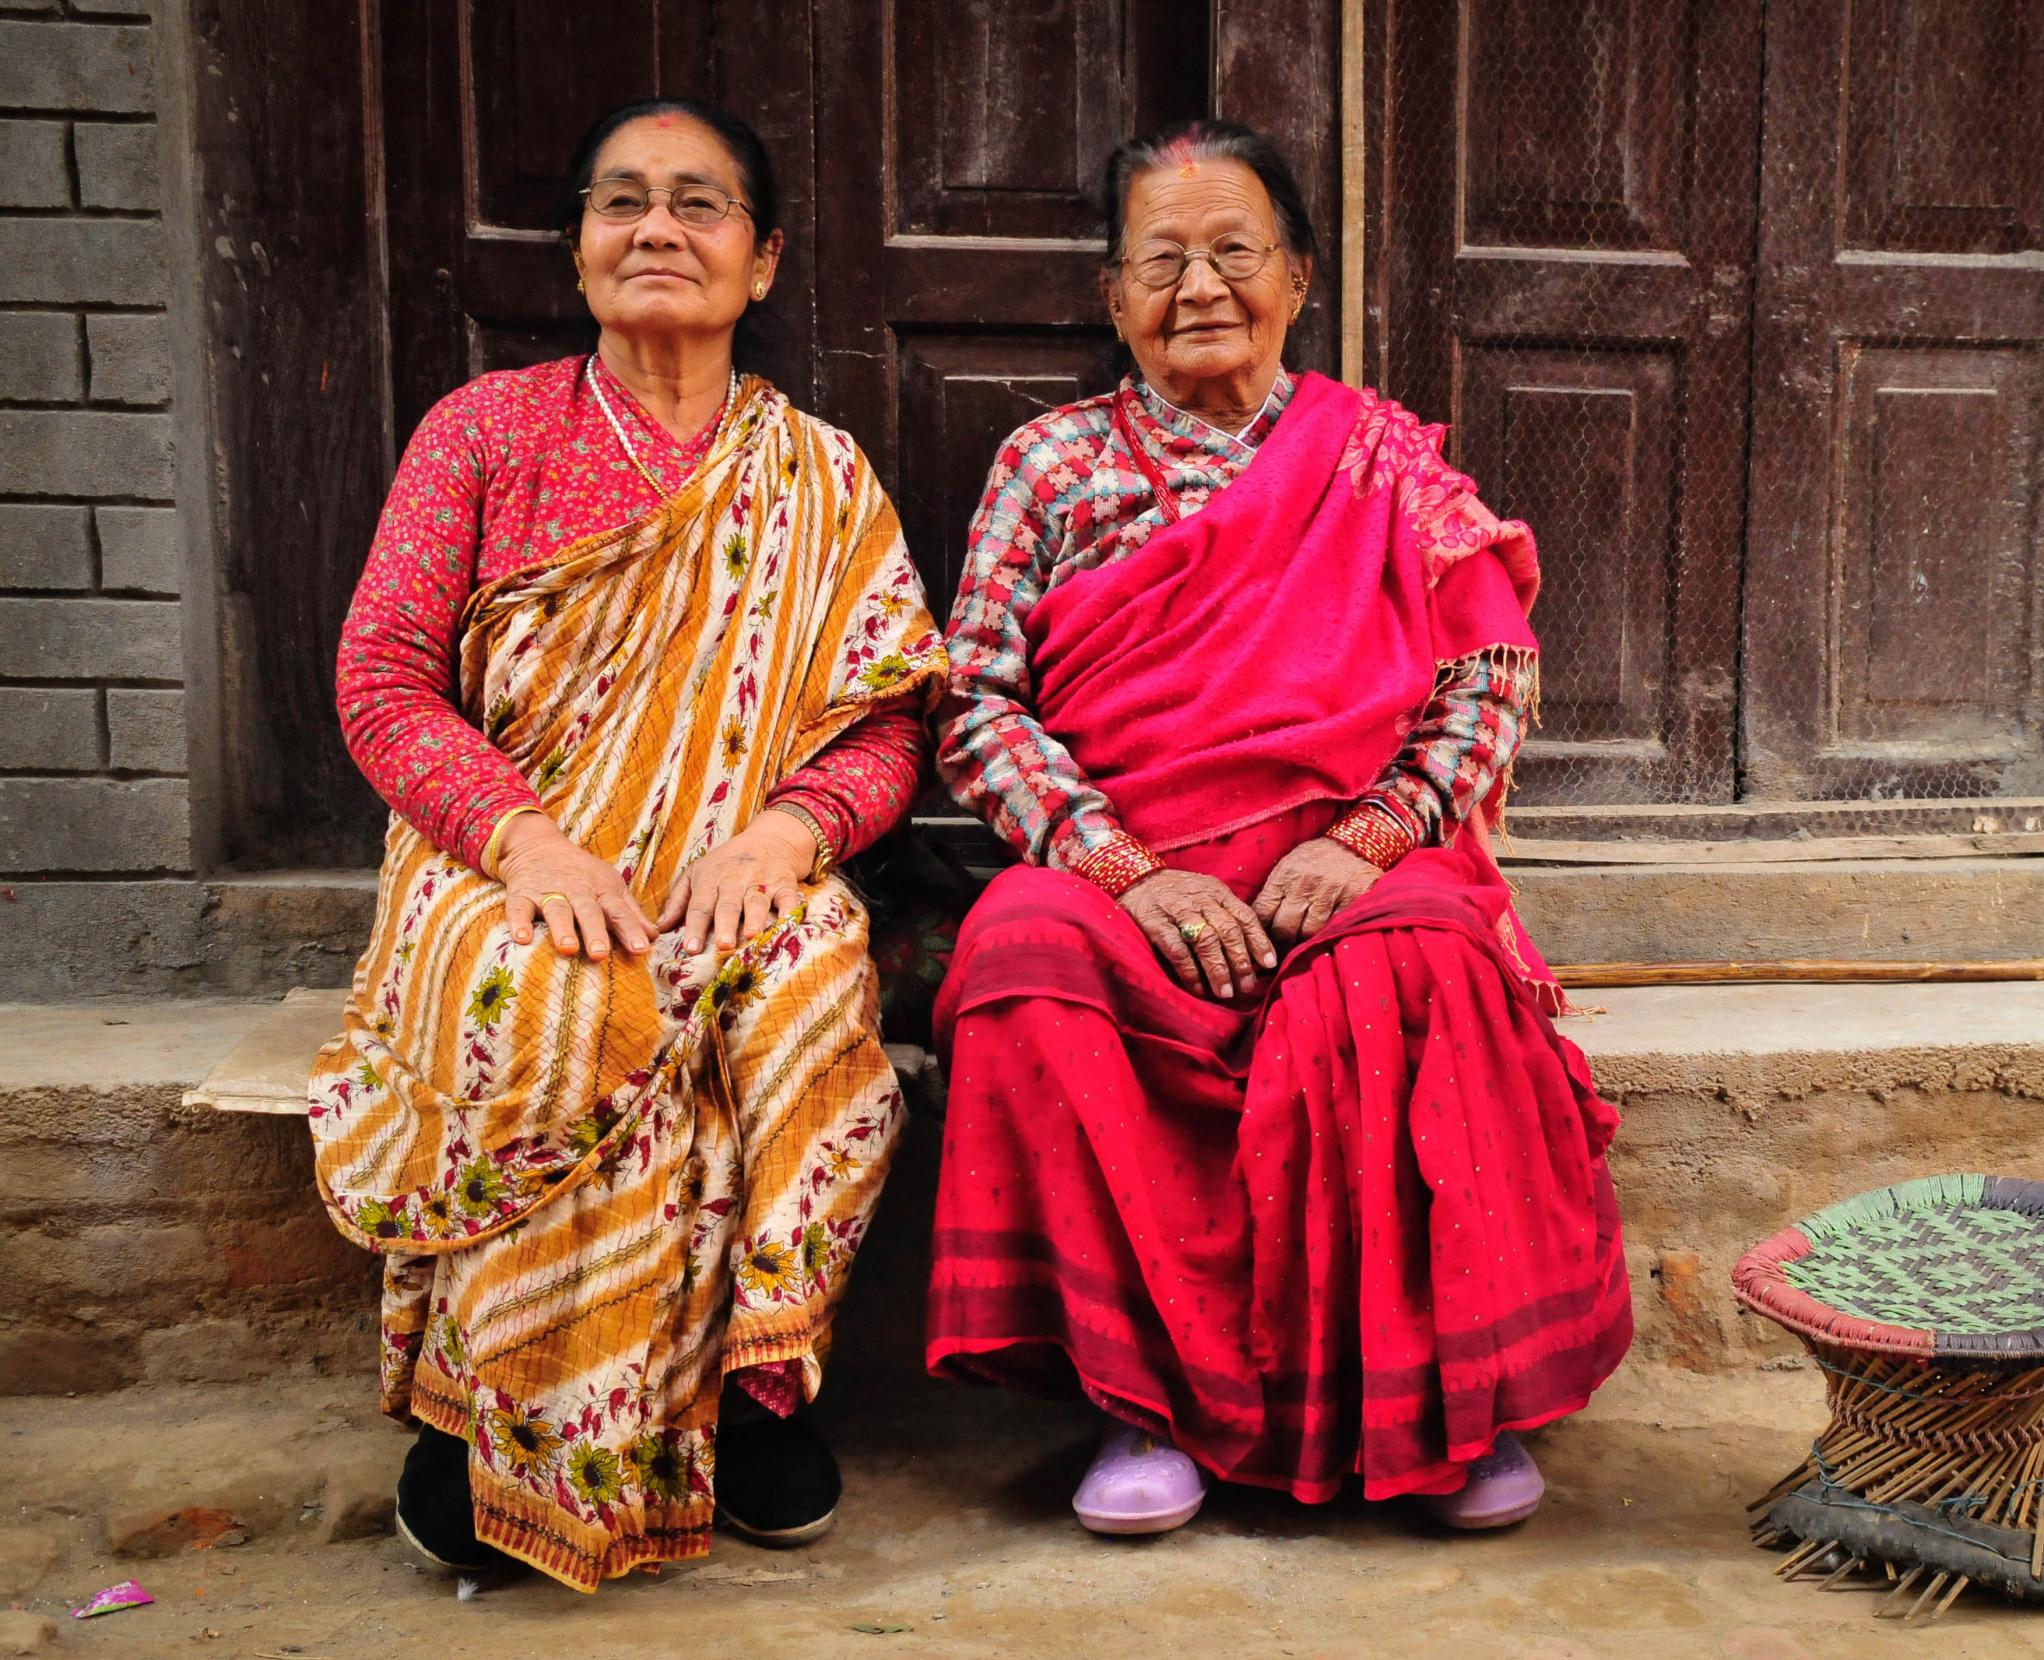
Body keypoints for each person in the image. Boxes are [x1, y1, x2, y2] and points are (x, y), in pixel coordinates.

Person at [925, 120, 1632, 1534]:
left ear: (1298, 278)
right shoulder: (1049, 466)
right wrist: (1122, 871)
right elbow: (977, 703)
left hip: (1338, 859)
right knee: (1018, 955)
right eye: (1162, 260)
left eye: (1234, 251)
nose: (1201, 287)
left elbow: (1484, 676)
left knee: (1422, 959)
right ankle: (1141, 1409)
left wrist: (1368, 838)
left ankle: (1446, 1409)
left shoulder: (1376, 455)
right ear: (1113, 297)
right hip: (1125, 870)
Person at [310, 97, 943, 1591]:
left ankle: (748, 1390)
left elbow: (890, 725)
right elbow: (381, 676)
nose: (658, 228)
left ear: (765, 259)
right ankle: (505, 1424)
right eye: (623, 204)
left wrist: (793, 831)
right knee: (563, 998)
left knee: (804, 985)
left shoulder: (821, 476)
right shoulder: (484, 432)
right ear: (583, 252)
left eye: (700, 204)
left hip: (737, 856)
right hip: (505, 854)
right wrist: (522, 845)